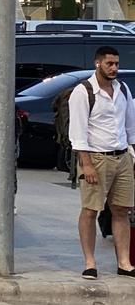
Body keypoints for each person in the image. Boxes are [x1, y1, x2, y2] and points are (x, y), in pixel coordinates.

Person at [68, 45, 135, 280]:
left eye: (116, 63)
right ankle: (90, 262)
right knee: (90, 210)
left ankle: (124, 262)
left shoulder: (123, 89)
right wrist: (86, 165)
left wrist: (132, 155)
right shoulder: (83, 91)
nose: (114, 68)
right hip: (96, 157)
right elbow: (78, 133)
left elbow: (130, 127)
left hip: (122, 156)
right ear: (98, 63)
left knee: (122, 210)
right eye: (109, 63)